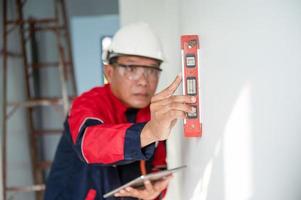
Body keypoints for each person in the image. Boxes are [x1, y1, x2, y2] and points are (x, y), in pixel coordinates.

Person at [45, 22, 195, 200]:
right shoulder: (88, 104)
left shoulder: (150, 114)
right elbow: (90, 144)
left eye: (152, 70)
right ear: (109, 72)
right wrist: (148, 132)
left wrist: (154, 192)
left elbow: (156, 167)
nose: (143, 81)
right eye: (131, 69)